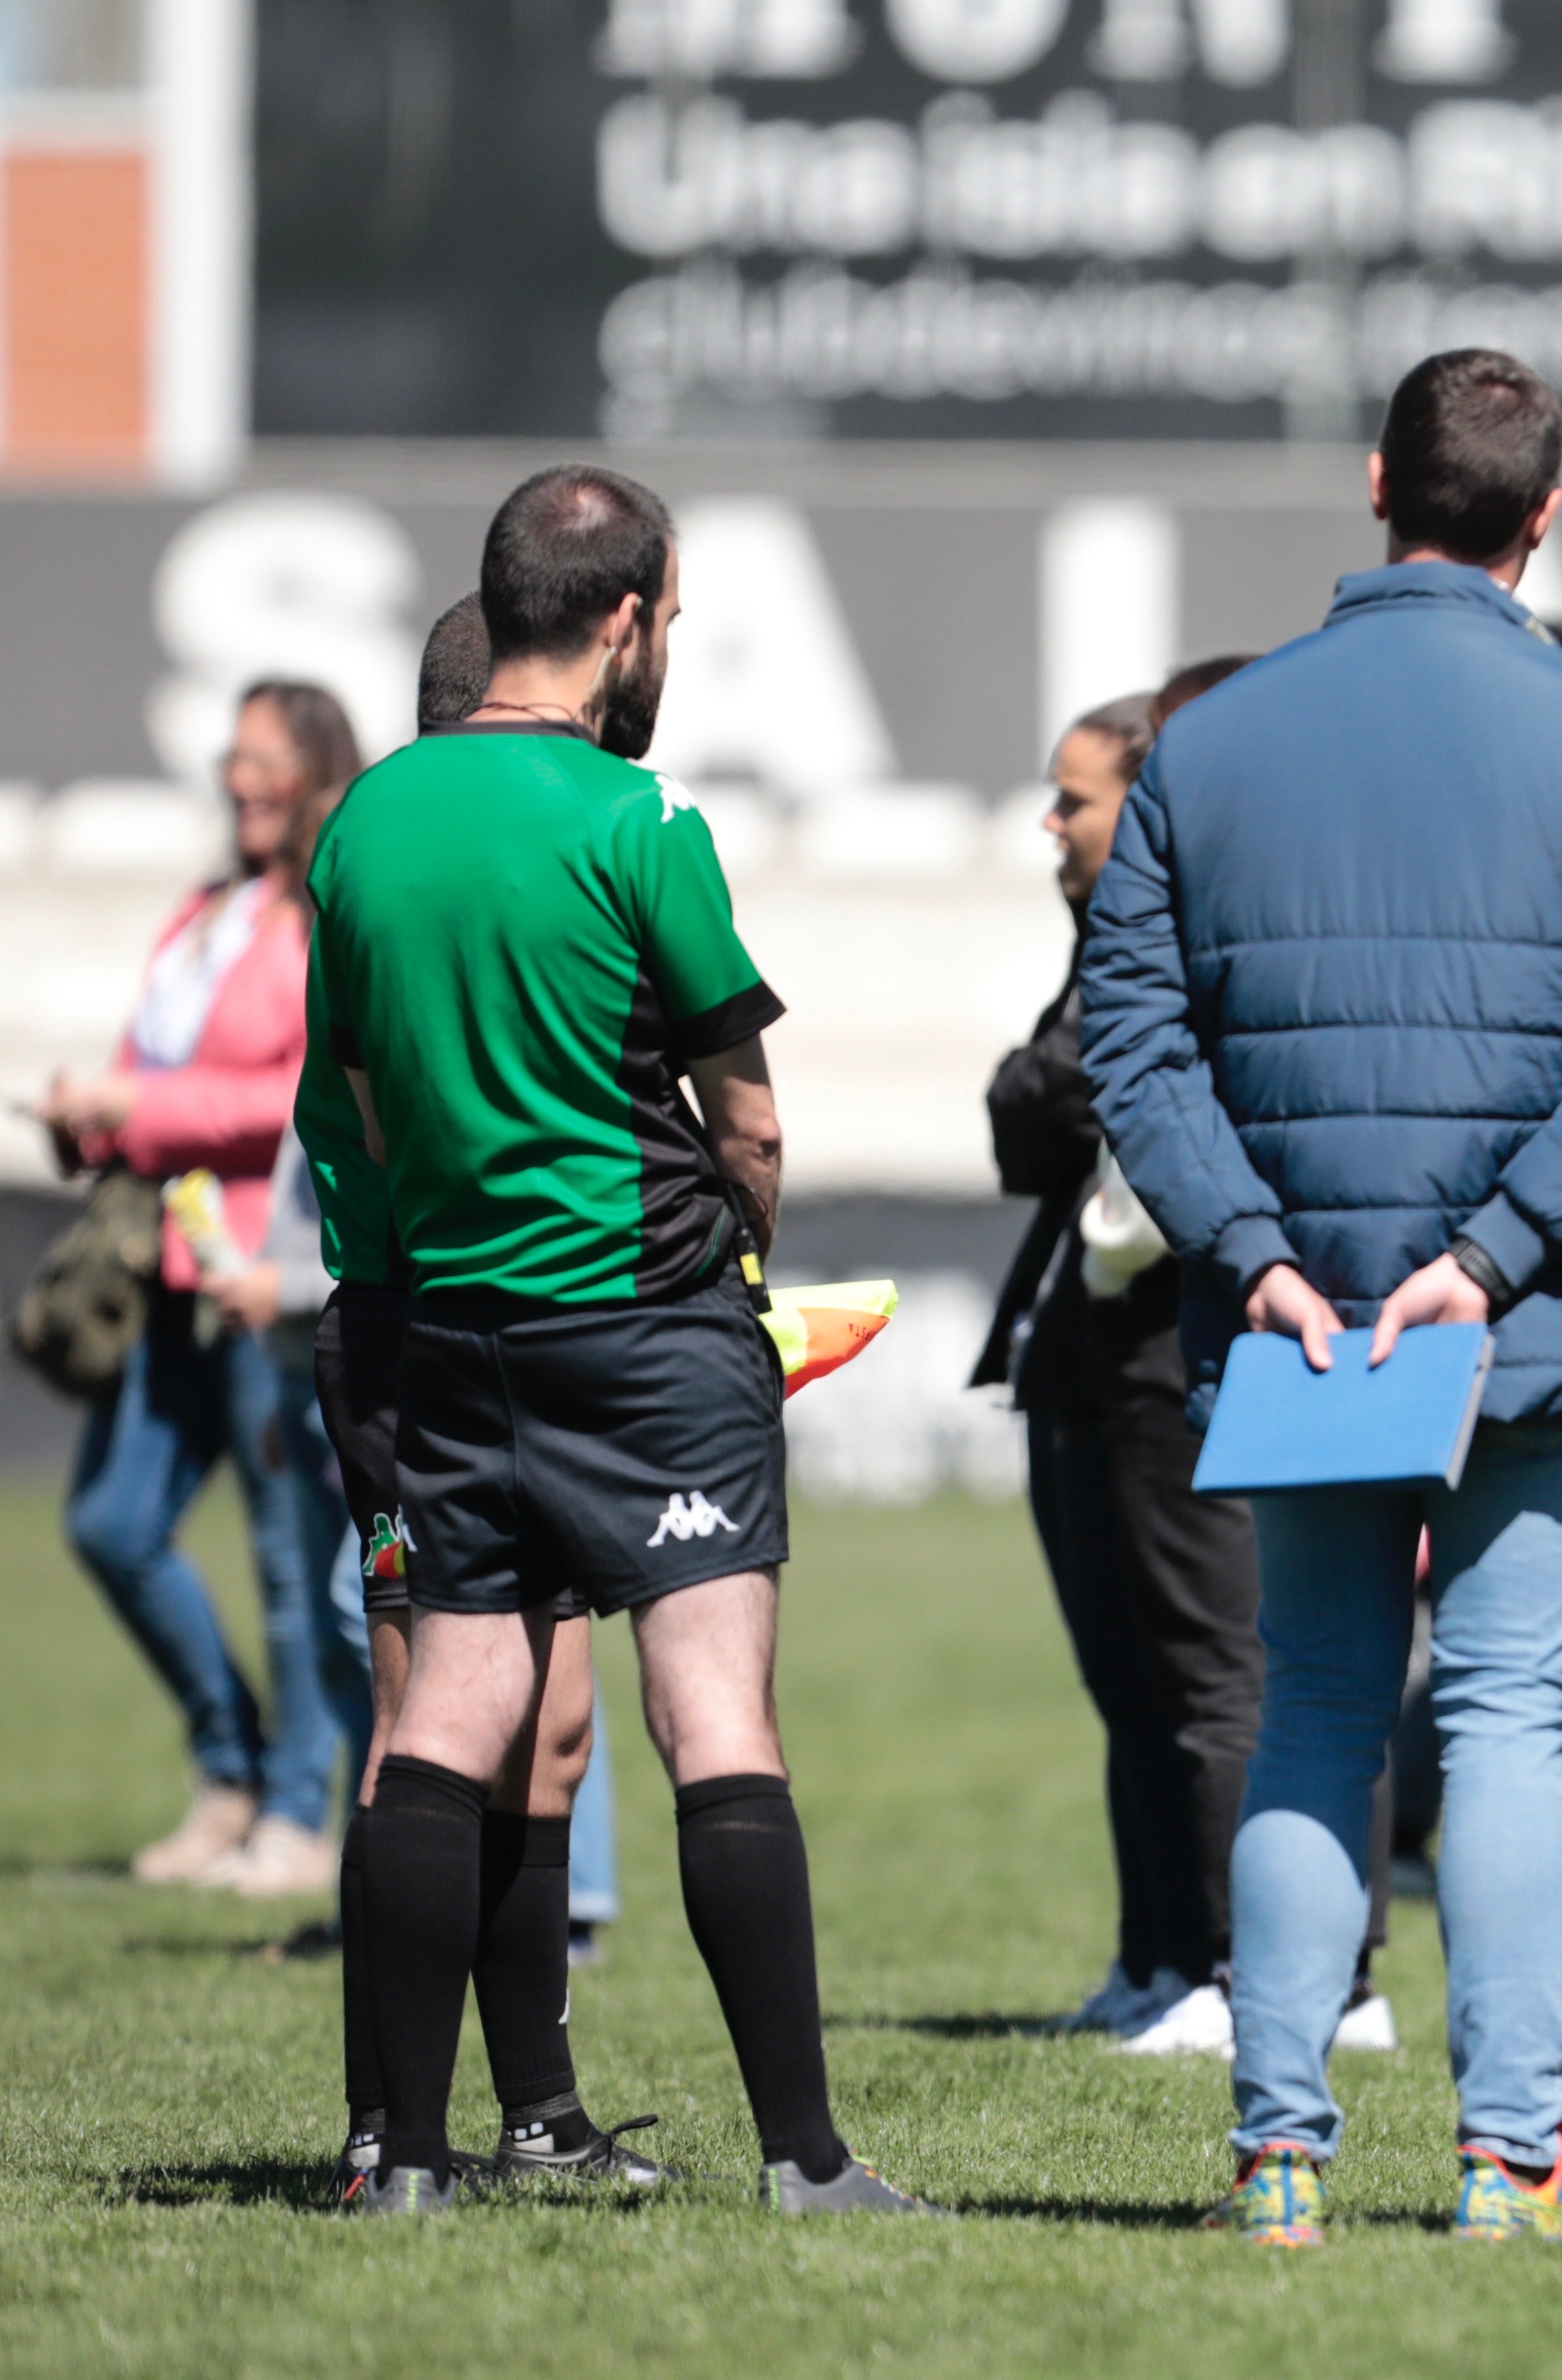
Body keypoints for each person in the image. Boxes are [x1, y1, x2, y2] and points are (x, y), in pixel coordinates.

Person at [1081, 350, 1562, 2248]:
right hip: (1513, 1320)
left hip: (1302, 1329)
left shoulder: (1204, 745)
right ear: (1546, 512)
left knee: (1314, 1716)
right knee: (1513, 1718)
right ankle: (1504, 2164)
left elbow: (1135, 1044)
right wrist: (1497, 1256)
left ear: (1377, 484)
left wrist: (1260, 1256)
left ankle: (1279, 2159)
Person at [311, 464, 930, 2217]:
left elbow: (359, 1095)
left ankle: (409, 2163)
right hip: (647, 1327)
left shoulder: (364, 823)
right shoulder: (636, 822)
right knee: (712, 1708)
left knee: (450, 1710)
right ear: (630, 617)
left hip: (448, 1328)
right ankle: (806, 2160)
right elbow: (748, 1122)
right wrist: (747, 1266)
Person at [309, 594, 660, 2200]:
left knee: (554, 1732)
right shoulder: (399, 853)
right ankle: (392, 2124)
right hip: (413, 1330)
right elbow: (365, 1118)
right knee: (422, 1724)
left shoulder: (422, 847)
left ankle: (539, 2114)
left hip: (508, 1326)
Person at [977, 670, 1270, 2060]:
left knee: (1210, 1669)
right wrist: (1040, 1087)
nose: (1052, 822)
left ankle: (1243, 1965)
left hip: (1171, 1343)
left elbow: (1066, 1097)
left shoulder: (1188, 940)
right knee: (1130, 1677)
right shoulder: (1109, 941)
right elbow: (1031, 1116)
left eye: (1075, 796)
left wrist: (1041, 1083)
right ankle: (1160, 1954)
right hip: (1089, 1348)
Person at [48, 678, 365, 1899]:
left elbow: (295, 1093)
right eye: (233, 759)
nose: (242, 779)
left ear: (315, 775)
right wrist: (94, 1122)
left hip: (262, 1272)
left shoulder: (320, 914)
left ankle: (293, 1814)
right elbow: (152, 1066)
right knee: (111, 1524)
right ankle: (229, 1763)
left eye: (266, 760)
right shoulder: (202, 910)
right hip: (166, 1266)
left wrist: (147, 1108)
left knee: (293, 1559)